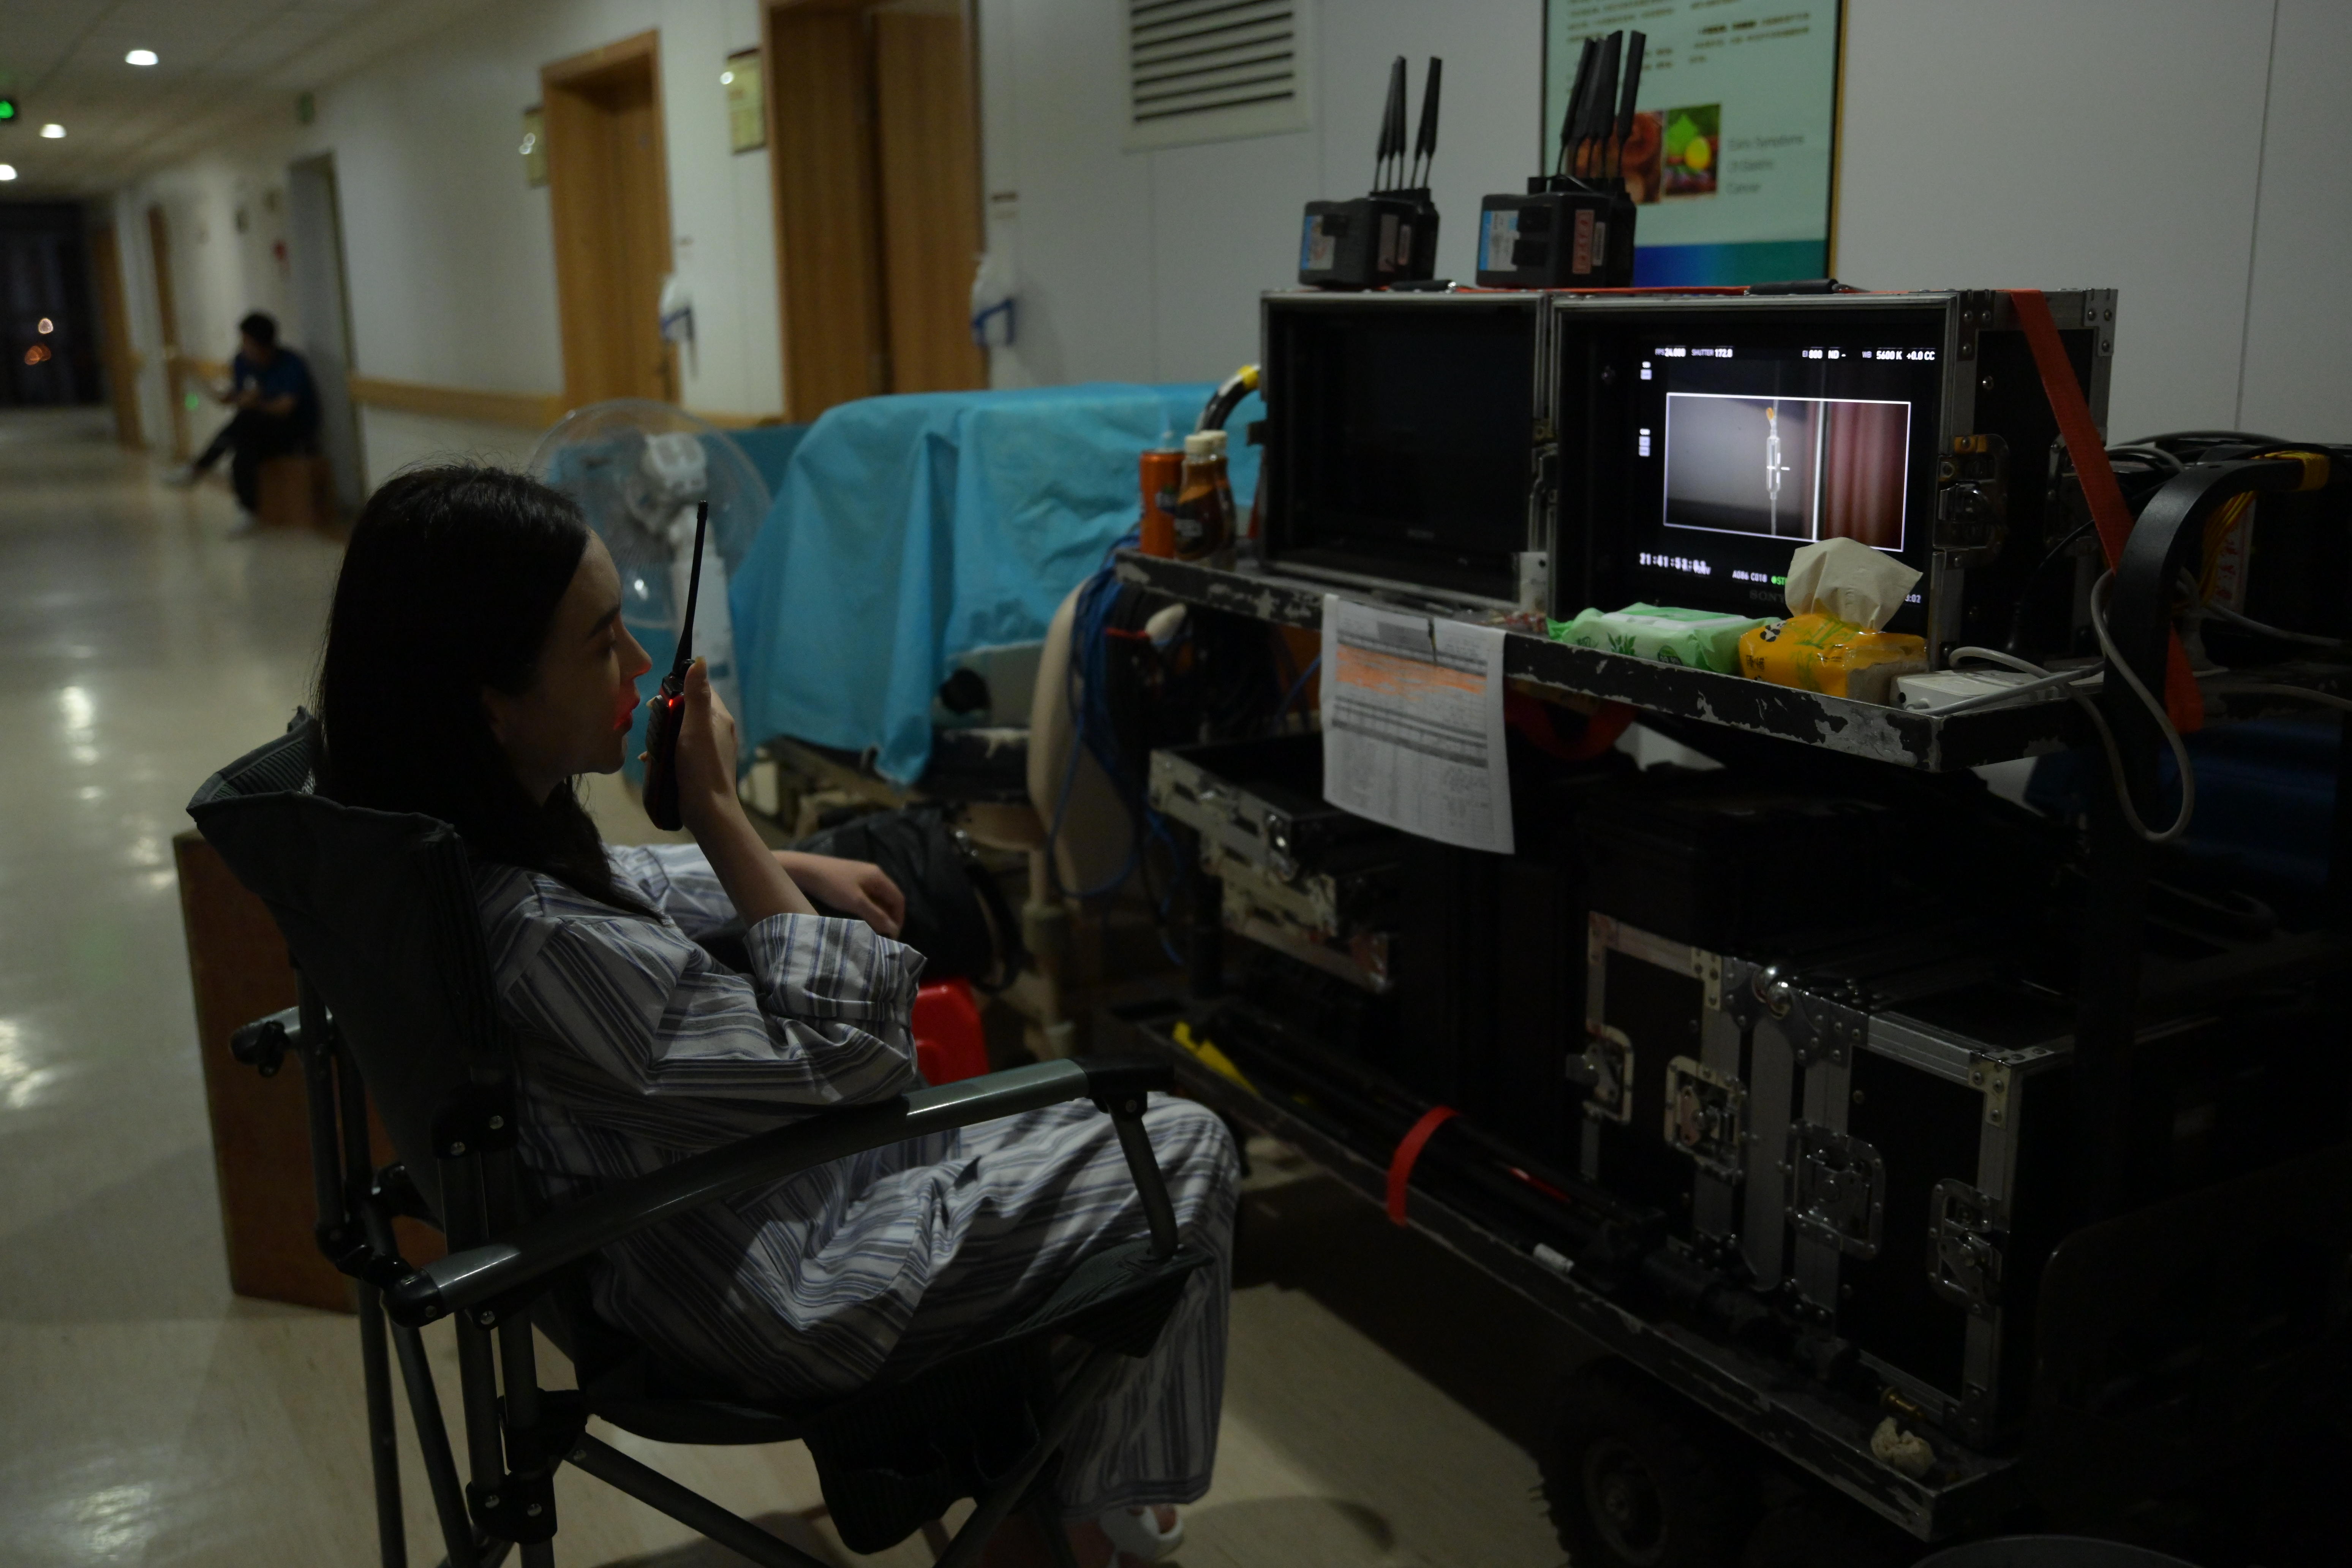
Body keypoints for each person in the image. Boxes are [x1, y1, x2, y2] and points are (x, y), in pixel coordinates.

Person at [312, 465, 1236, 1568]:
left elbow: (623, 880)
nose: (641, 665)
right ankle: (1096, 1509)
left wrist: (785, 861)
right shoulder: (548, 948)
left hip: (716, 1217)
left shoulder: (455, 856)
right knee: (1177, 1148)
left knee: (1053, 1162)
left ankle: (1036, 1513)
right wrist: (717, 810)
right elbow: (857, 1055)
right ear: (492, 701)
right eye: (603, 644)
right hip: (772, 1283)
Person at [168, 311, 319, 521]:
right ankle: (246, 507)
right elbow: (242, 395)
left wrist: (256, 403)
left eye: (247, 342)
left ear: (262, 345)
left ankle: (199, 469)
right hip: (255, 429)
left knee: (244, 423)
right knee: (243, 446)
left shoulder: (290, 363)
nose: (243, 347)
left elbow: (285, 408)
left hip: (291, 430)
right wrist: (229, 397)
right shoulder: (242, 362)